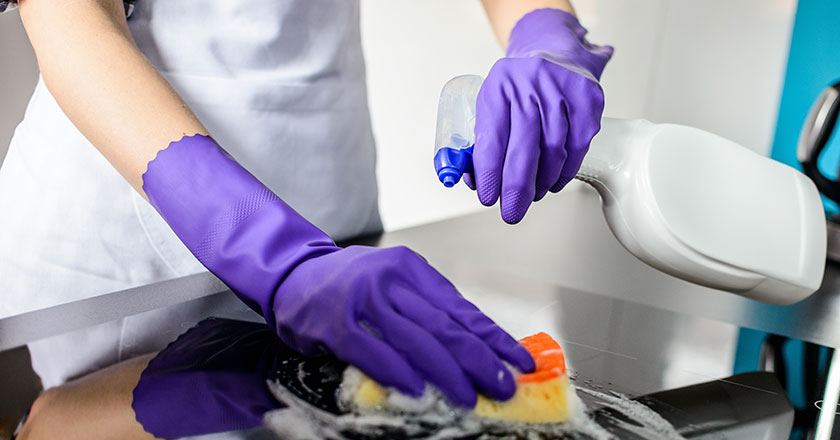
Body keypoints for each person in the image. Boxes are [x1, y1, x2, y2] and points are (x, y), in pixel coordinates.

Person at [2, 0, 612, 437]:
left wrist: (543, 29)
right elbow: (70, 18)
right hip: (131, 210)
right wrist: (274, 254)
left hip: (331, 196)